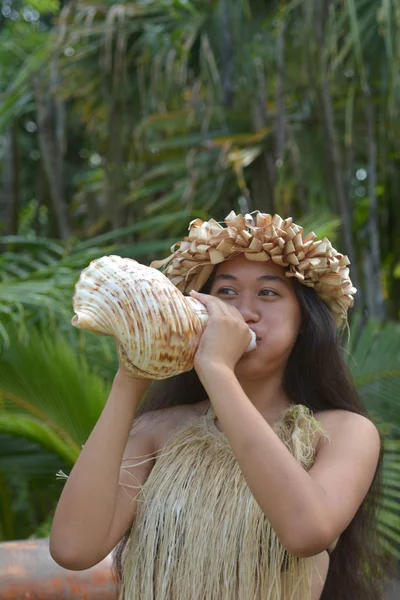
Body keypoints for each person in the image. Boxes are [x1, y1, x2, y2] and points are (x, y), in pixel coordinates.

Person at [50, 211, 387, 599]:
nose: (244, 313)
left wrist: (217, 370)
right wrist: (130, 379)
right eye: (226, 292)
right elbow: (73, 549)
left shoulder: (342, 432)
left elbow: (306, 532)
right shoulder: (159, 431)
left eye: (268, 293)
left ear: (304, 319)